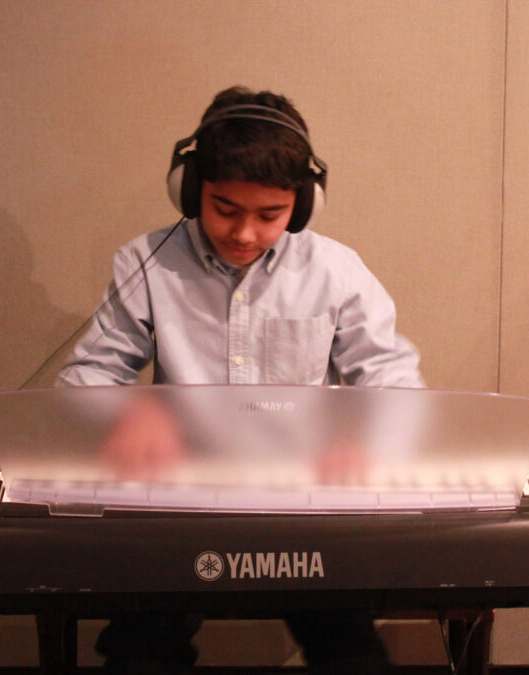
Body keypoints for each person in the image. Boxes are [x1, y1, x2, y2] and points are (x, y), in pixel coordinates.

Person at [56, 86, 424, 672]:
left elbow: (393, 377)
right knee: (139, 654)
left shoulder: (337, 271)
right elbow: (86, 374)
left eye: (269, 215)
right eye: (225, 208)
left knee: (353, 655)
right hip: (178, 500)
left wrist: (366, 438)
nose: (244, 233)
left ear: (302, 206)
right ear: (190, 188)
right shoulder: (146, 263)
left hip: (305, 502)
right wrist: (129, 412)